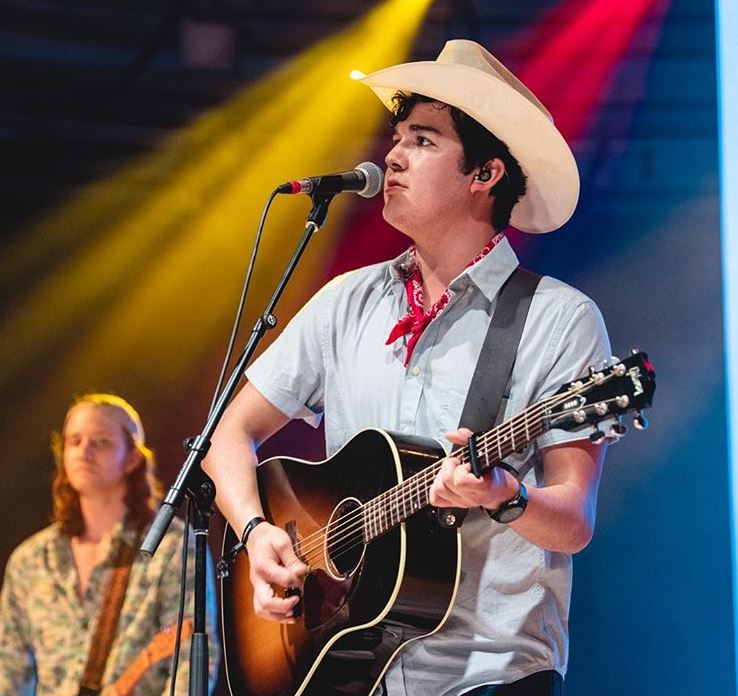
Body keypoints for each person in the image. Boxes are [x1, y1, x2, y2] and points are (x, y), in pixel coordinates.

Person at [204, 39, 613, 695]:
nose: (391, 156)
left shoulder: (558, 319)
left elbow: (573, 522)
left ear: (485, 174)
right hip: (351, 671)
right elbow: (227, 435)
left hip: (490, 675)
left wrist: (503, 495)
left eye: (422, 141)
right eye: (397, 138)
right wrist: (256, 534)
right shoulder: (346, 301)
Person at [0, 393, 220, 696]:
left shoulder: (172, 548)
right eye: (74, 441)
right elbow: (10, 670)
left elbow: (191, 665)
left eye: (101, 442)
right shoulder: (30, 560)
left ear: (132, 458)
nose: (84, 451)